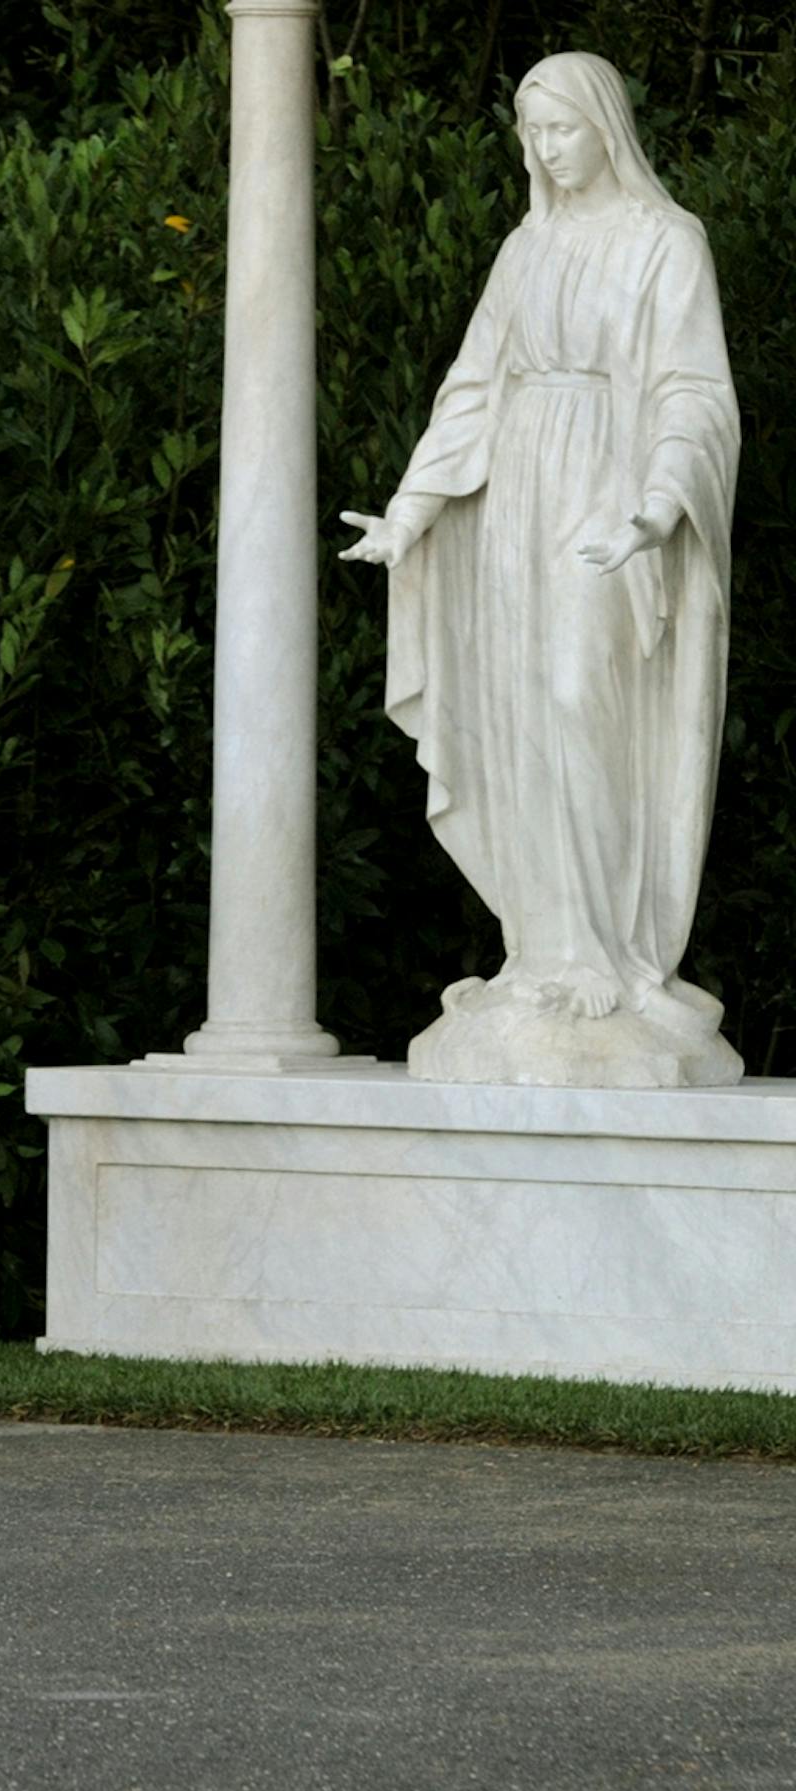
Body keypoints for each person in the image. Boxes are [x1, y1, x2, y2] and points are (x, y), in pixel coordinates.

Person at [339, 51, 741, 1083]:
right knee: (524, 709)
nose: (548, 150)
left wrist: (657, 510)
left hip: (609, 497)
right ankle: (546, 953)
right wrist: (411, 510)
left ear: (606, 125)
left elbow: (694, 391)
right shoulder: (526, 248)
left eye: (561, 128)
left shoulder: (666, 242)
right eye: (532, 134)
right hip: (516, 503)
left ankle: (612, 950)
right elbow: (472, 387)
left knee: (581, 697)